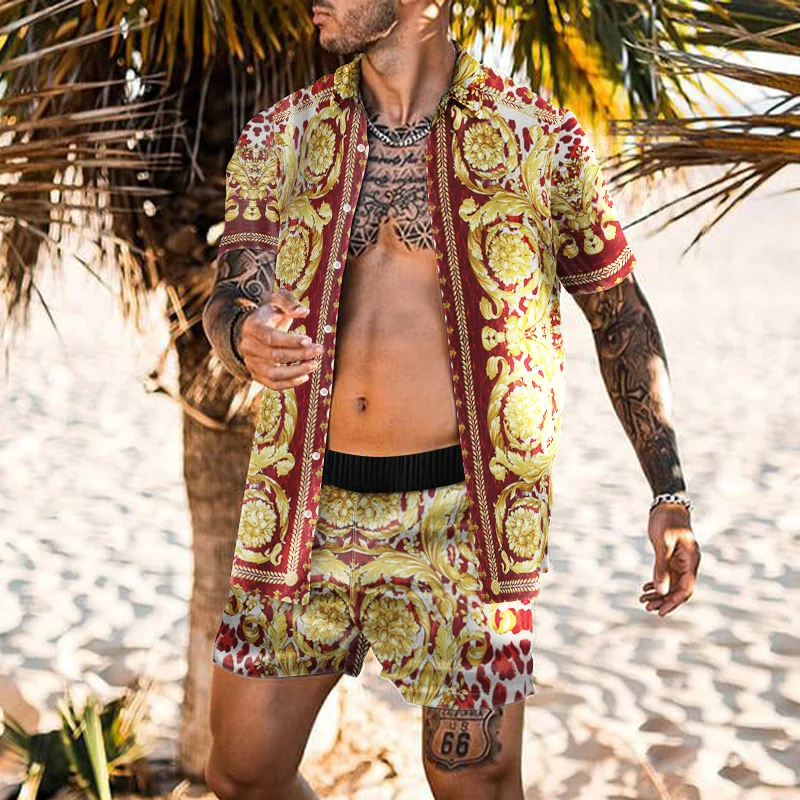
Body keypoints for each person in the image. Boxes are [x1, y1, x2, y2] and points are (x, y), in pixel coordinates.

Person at [201, 1, 701, 797]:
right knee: (241, 772)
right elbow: (232, 292)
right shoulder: (281, 136)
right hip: (303, 514)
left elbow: (620, 315)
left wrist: (667, 490)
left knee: (473, 781)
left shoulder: (539, 139)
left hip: (464, 528)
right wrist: (242, 336)